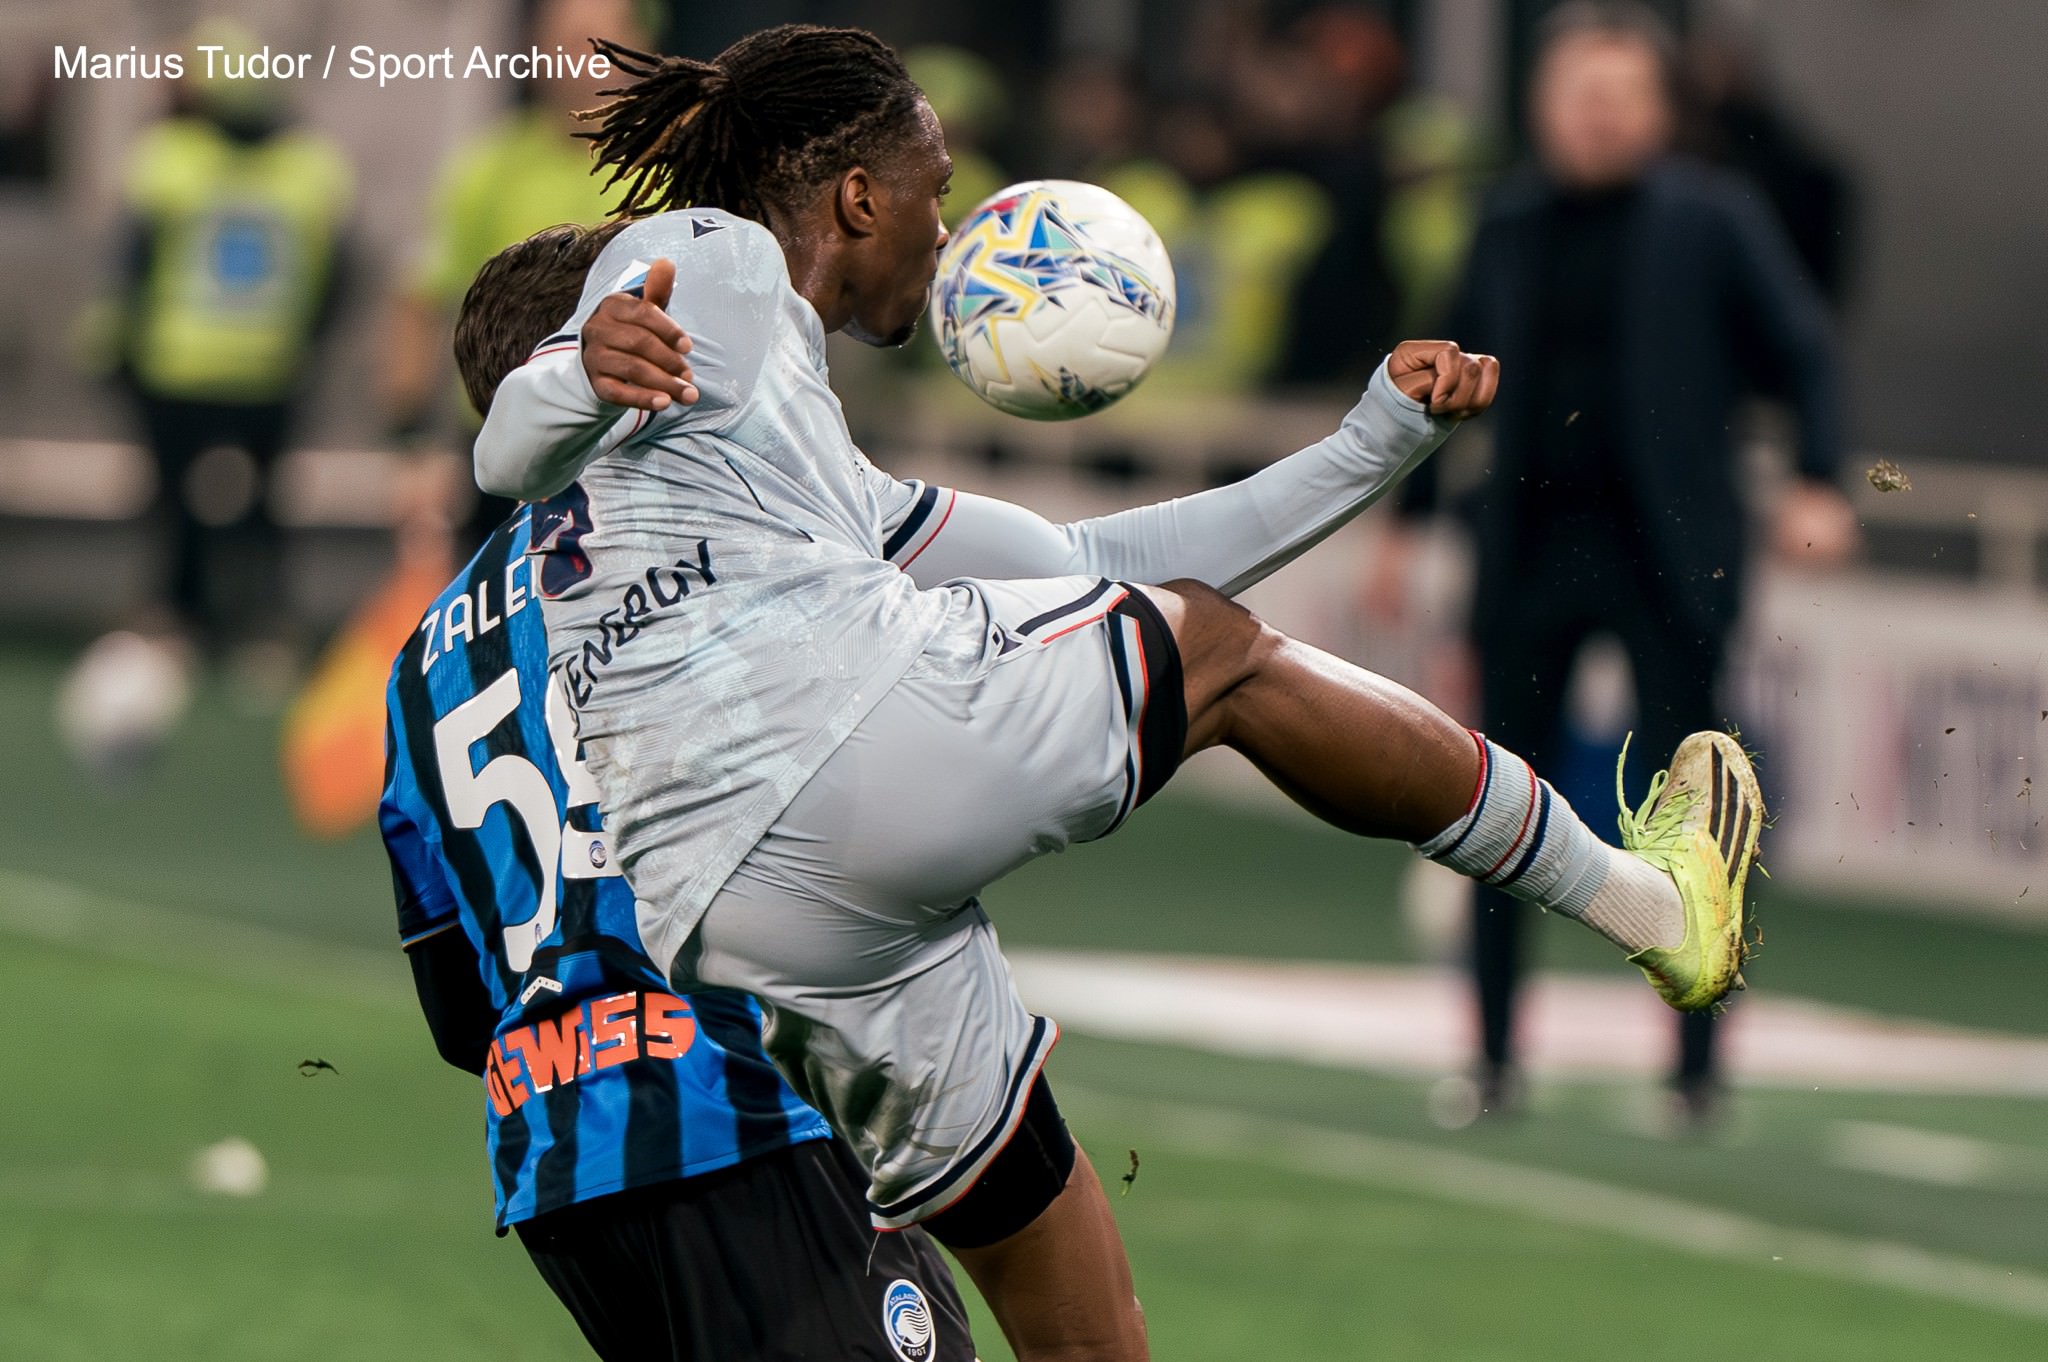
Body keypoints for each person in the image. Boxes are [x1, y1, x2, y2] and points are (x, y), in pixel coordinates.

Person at [476, 26, 1763, 1361]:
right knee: (1219, 654)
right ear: (857, 197)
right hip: (832, 754)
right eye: (936, 188)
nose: (947, 226)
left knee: (1071, 1303)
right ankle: (1647, 905)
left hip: (736, 913)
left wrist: (1376, 437)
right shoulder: (714, 258)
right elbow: (509, 442)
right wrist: (573, 370)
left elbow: (1086, 563)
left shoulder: (787, 465)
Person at [377, 222, 976, 1362]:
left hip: (559, 1159)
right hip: (737, 1103)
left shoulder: (419, 662)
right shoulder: (692, 554)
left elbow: (457, 1008)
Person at [1371, 0, 1854, 1123]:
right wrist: (1404, 523)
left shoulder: (1712, 219)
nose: (1598, 116)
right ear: (1543, 107)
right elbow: (1438, 380)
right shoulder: (1505, 221)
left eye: (1620, 95)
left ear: (1656, 109)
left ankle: (1697, 1071)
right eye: (1580, 94)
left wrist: (1820, 478)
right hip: (1530, 546)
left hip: (1668, 555)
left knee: (1698, 811)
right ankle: (1493, 1060)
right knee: (1498, 807)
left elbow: (1805, 349)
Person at [111, 18, 352, 650]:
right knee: (259, 505)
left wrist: (121, 342)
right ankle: (258, 624)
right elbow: (339, 275)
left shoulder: (166, 154)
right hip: (263, 363)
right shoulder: (313, 166)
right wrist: (309, 341)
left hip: (180, 361)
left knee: (180, 503)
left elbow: (134, 265)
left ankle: (182, 615)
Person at [380, 0, 644, 552]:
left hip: (633, 448)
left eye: (601, 48)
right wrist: (411, 447)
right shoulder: (490, 169)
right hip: (508, 445)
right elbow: (420, 300)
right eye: (567, 48)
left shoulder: (667, 170)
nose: (582, 65)